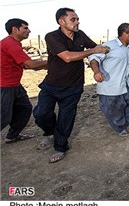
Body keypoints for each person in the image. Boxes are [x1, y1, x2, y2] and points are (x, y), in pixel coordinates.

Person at [33, 8, 110, 163]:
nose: (77, 22)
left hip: (73, 86)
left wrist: (103, 52)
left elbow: (96, 51)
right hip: (51, 85)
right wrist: (93, 50)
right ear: (61, 21)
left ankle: (60, 147)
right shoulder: (52, 37)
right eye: (73, 19)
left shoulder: (80, 35)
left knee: (66, 118)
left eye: (77, 19)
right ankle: (50, 133)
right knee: (41, 113)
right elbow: (67, 57)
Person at [88, 23, 129, 137]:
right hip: (110, 85)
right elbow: (93, 58)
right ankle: (120, 128)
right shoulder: (108, 46)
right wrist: (96, 71)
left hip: (126, 83)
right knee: (115, 110)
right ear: (124, 34)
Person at [1, 18, 48, 144]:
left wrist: (40, 66)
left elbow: (25, 65)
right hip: (4, 86)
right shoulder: (10, 43)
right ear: (15, 29)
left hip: (15, 84)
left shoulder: (15, 43)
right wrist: (53, 64)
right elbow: (30, 64)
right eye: (25, 28)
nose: (29, 31)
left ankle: (12, 136)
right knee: (3, 117)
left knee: (25, 108)